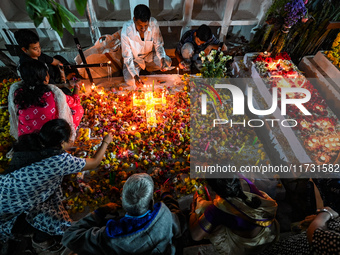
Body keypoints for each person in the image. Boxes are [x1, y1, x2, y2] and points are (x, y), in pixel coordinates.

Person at [0, 119, 113, 253]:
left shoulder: (30, 143)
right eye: (69, 140)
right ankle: (39, 240)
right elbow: (94, 163)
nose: (71, 142)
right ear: (61, 143)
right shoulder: (59, 161)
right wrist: (106, 141)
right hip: (8, 214)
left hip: (5, 192)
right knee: (61, 224)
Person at [62, 173, 186, 255]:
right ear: (152, 201)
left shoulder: (111, 236)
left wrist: (100, 211)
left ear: (122, 201)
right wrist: (167, 195)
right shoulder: (164, 215)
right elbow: (180, 220)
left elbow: (69, 237)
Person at [189, 176, 279, 255]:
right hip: (270, 231)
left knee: (202, 207)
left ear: (212, 190)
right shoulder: (246, 182)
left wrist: (193, 209)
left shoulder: (219, 208)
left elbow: (195, 236)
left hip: (250, 245)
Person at [8, 60, 83, 141]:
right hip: (49, 137)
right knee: (78, 109)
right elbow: (75, 101)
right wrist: (76, 86)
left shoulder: (18, 93)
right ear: (46, 77)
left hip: (26, 138)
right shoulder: (53, 94)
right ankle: (67, 139)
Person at [121, 4, 171, 87]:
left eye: (146, 25)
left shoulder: (153, 24)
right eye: (140, 25)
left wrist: (162, 59)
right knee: (131, 82)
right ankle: (139, 71)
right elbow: (127, 57)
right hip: (135, 60)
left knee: (167, 62)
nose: (143, 29)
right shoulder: (126, 30)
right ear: (134, 20)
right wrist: (135, 76)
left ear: (149, 20)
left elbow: (158, 45)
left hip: (149, 56)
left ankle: (148, 68)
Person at [259, 207, 340, 255]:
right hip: (301, 236)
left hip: (300, 247)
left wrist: (325, 213)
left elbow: (315, 236)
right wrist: (318, 220)